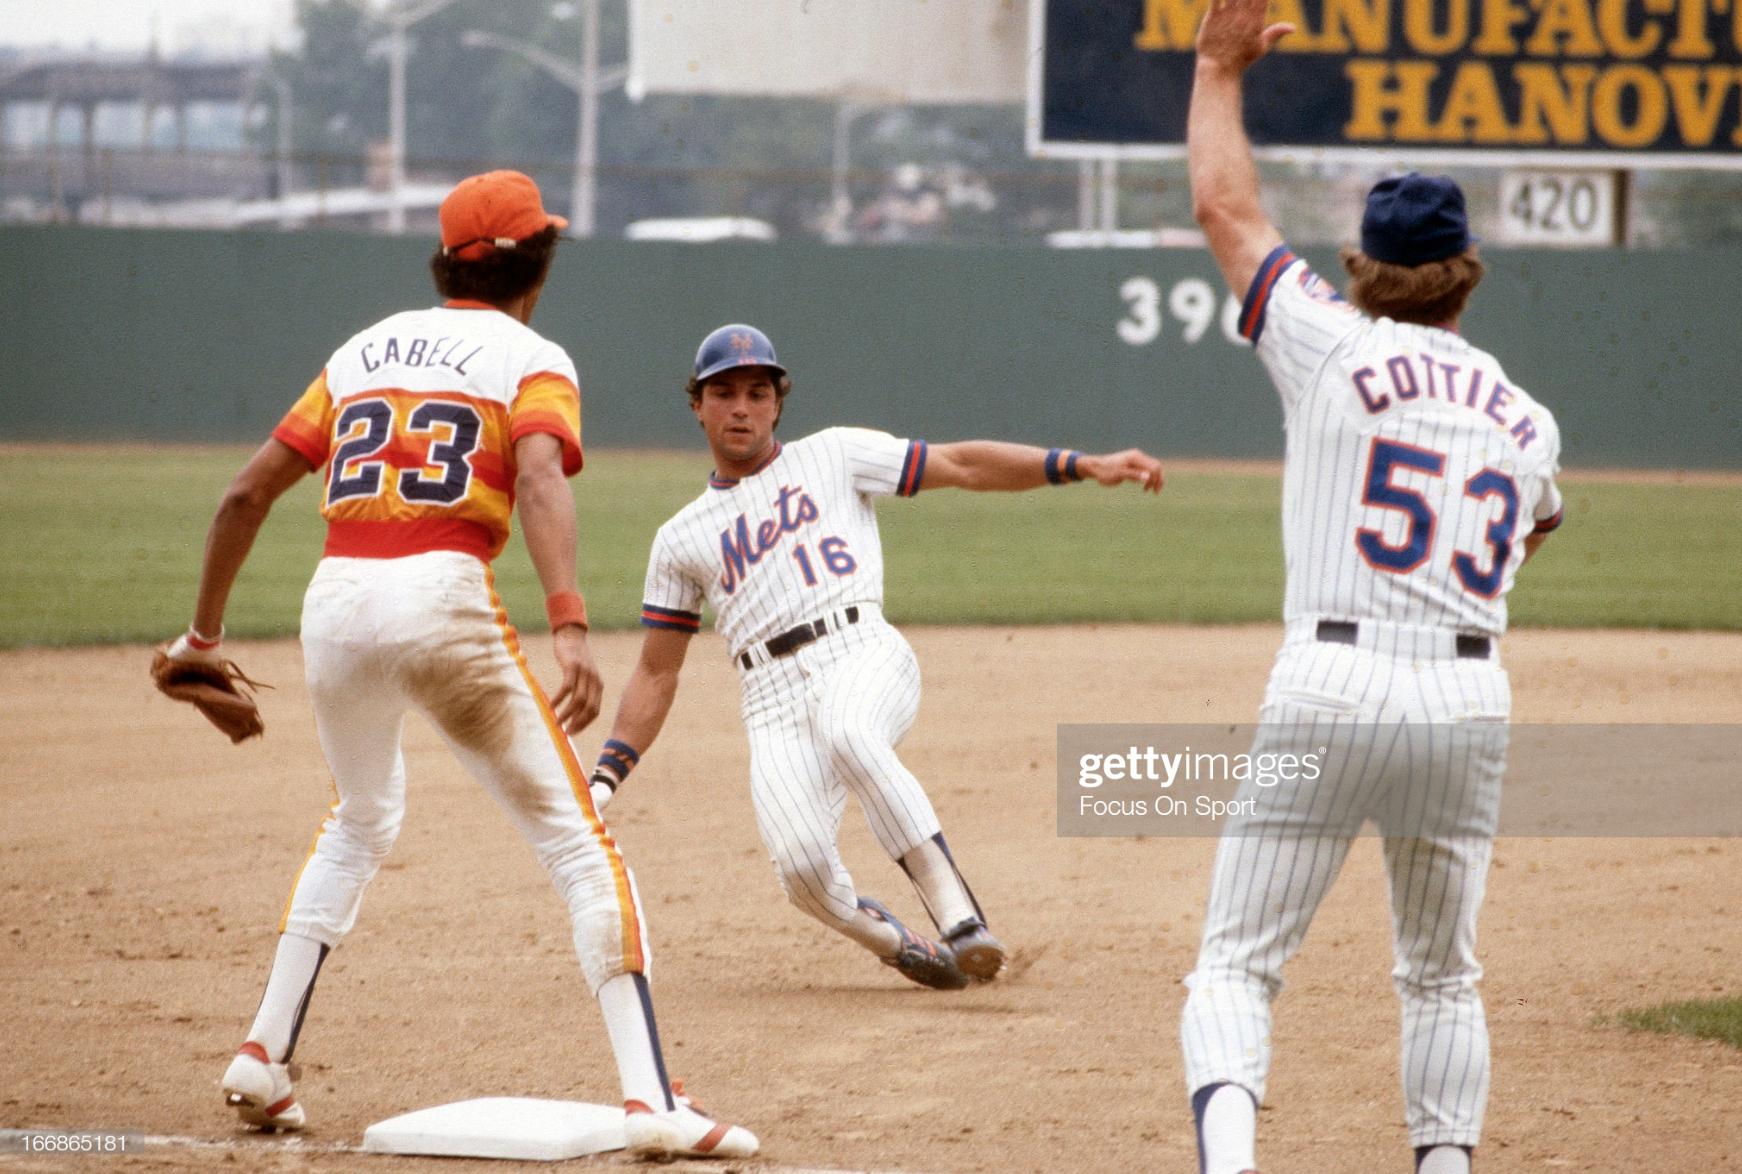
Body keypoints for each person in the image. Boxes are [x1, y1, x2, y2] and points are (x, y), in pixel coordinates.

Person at [156, 170, 756, 1159]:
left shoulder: (361, 351)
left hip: (335, 604)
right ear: (538, 260)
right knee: (580, 849)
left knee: (358, 819)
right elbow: (533, 476)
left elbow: (243, 495)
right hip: (440, 596)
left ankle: (263, 1056)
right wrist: (567, 619)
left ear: (447, 258)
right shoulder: (531, 354)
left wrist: (202, 641)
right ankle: (652, 1102)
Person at [1179, 2, 1565, 1172]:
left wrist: (1214, 67)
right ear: (1465, 277)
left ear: (1364, 269)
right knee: (1440, 972)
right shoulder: (1527, 417)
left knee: (1236, 964)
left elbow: (1223, 207)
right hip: (1465, 695)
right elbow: (1531, 531)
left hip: (1330, 680)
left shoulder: (1327, 341)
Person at [583, 324, 1165, 990]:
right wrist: (604, 781)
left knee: (851, 731)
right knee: (800, 869)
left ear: (778, 402)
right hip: (769, 698)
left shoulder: (835, 455)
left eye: (756, 391)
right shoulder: (679, 538)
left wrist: (1080, 464)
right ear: (697, 405)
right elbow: (657, 671)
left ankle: (960, 916)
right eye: (723, 393)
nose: (740, 406)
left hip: (861, 651)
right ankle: (898, 942)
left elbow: (962, 465)